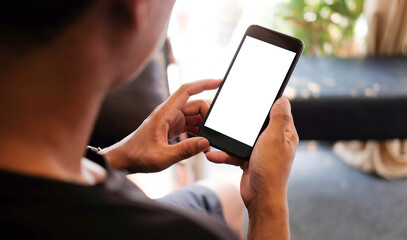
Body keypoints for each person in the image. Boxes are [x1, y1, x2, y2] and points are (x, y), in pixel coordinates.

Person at [0, 1, 299, 239]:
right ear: (138, 6)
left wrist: (116, 157)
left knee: (225, 196)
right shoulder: (188, 234)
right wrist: (267, 202)